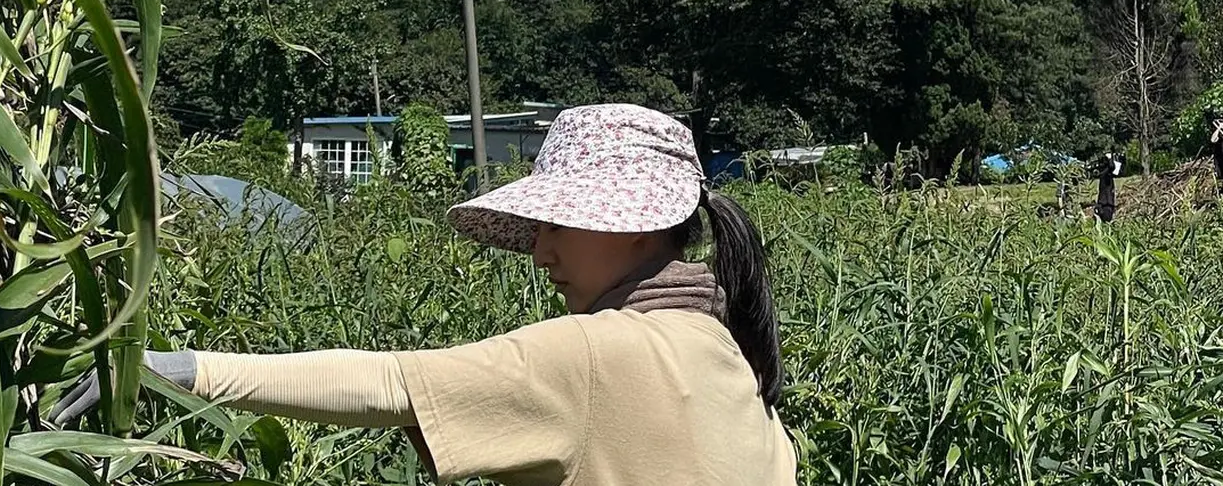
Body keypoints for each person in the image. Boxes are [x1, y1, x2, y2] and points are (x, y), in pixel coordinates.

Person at [51, 103, 799, 485]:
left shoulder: (595, 354)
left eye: (555, 224)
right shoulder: (729, 359)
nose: (539, 251)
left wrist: (182, 370)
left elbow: (388, 382)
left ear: (639, 228)